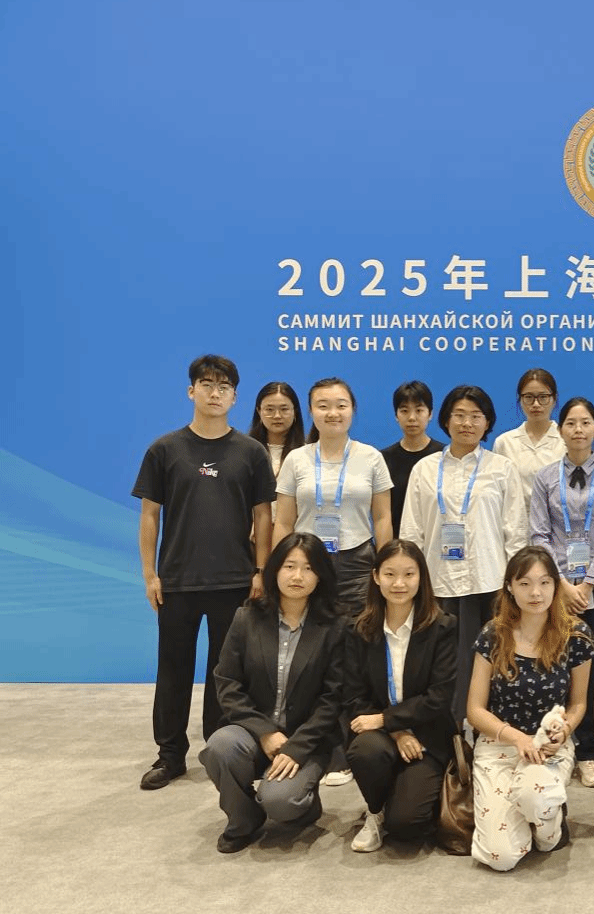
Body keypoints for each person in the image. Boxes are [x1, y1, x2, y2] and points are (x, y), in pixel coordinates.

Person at [132, 354, 275, 791]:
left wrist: (260, 571)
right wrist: (150, 574)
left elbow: (264, 517)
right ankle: (170, 755)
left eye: (224, 386)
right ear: (191, 391)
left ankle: (220, 750)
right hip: (177, 580)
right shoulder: (164, 449)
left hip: (234, 580)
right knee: (172, 671)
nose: (215, 393)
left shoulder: (251, 452)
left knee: (224, 673)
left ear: (235, 397)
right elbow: (150, 515)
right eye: (207, 384)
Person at [199, 533, 345, 853]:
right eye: (289, 566)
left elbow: (333, 699)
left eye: (308, 568)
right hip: (253, 732)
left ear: (320, 575)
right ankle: (242, 819)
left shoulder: (335, 627)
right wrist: (264, 731)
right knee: (220, 747)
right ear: (275, 569)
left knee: (281, 802)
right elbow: (227, 681)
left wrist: (297, 747)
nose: (297, 576)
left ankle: (304, 804)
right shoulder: (246, 618)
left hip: (306, 738)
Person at [399, 385, 527, 725]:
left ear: (488, 423)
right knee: (441, 665)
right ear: (445, 420)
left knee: (490, 661)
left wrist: (515, 588)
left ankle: (487, 730)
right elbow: (411, 532)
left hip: (488, 582)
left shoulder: (502, 468)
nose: (466, 423)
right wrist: (411, 583)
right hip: (437, 583)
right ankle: (447, 733)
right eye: (459, 415)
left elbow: (515, 532)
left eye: (475, 416)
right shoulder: (424, 469)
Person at [466, 547, 594, 871]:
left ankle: (547, 820)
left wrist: (565, 729)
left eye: (544, 582)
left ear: (556, 585)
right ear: (510, 587)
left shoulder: (576, 635)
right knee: (501, 856)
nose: (536, 593)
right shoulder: (492, 634)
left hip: (548, 747)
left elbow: (578, 703)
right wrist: (516, 739)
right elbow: (475, 710)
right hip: (499, 743)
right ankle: (532, 814)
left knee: (535, 801)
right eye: (524, 583)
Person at [529, 397, 594, 788]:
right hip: (554, 587)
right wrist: (563, 584)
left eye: (586, 422)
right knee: (553, 662)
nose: (579, 429)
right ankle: (553, 741)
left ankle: (588, 750)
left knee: (593, 667)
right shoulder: (544, 477)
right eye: (571, 423)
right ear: (561, 430)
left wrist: (588, 583)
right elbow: (539, 533)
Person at [343, 539, 457, 852]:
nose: (399, 583)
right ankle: (375, 811)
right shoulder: (359, 629)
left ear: (421, 578)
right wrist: (394, 729)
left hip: (427, 734)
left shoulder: (442, 626)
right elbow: (353, 696)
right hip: (378, 734)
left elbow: (439, 697)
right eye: (390, 574)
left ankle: (404, 798)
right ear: (376, 576)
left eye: (409, 574)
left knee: (407, 826)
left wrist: (386, 719)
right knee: (365, 752)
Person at [274, 377, 393, 617]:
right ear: (310, 411)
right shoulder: (296, 459)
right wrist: (277, 568)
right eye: (323, 406)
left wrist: (385, 566)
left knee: (357, 631)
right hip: (305, 562)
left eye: (341, 405)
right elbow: (284, 522)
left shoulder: (371, 457)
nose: (332, 413)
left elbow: (382, 518)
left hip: (358, 564)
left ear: (352, 409)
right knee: (308, 629)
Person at [380, 381, 444, 537]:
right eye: (404, 411)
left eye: (419, 410)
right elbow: (382, 514)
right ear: (396, 415)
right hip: (398, 543)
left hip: (436, 541)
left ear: (430, 414)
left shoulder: (444, 455)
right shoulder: (383, 459)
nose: (412, 418)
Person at [493, 368, 565, 502]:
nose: (536, 404)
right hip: (516, 515)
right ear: (520, 400)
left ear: (554, 399)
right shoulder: (504, 443)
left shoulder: (566, 440)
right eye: (529, 397)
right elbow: (497, 492)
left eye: (543, 397)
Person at [247, 381, 305, 489]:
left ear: (295, 412)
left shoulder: (307, 454)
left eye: (284, 409)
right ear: (259, 412)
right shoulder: (246, 452)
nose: (277, 416)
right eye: (269, 409)